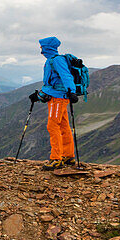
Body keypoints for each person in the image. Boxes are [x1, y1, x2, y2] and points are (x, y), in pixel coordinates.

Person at [27, 36, 78, 170]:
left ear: (47, 48)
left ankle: (56, 158)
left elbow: (65, 76)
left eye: (41, 47)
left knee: (53, 125)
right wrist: (39, 96)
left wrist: (71, 91)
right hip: (57, 97)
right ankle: (68, 156)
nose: (41, 50)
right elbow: (52, 83)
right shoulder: (52, 60)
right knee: (63, 125)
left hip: (58, 99)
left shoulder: (56, 61)